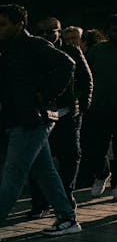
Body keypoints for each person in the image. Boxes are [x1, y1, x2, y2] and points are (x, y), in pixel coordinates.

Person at [0, 4, 81, 236]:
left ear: (19, 24)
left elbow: (68, 64)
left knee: (13, 175)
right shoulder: (6, 48)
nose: (0, 29)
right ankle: (67, 218)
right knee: (45, 172)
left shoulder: (34, 44)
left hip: (31, 120)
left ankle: (68, 218)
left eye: (4, 24)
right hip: (18, 119)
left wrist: (45, 94)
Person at [25, 17, 92, 218]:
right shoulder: (35, 53)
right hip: (43, 114)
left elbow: (86, 79)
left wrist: (82, 103)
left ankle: (66, 193)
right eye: (42, 32)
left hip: (68, 113)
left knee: (70, 156)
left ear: (59, 32)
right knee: (39, 159)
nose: (46, 36)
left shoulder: (72, 51)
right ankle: (40, 202)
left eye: (50, 32)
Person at [80, 15, 117, 201]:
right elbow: (86, 77)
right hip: (99, 108)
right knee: (96, 148)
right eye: (115, 30)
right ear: (108, 32)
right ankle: (101, 174)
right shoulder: (97, 51)